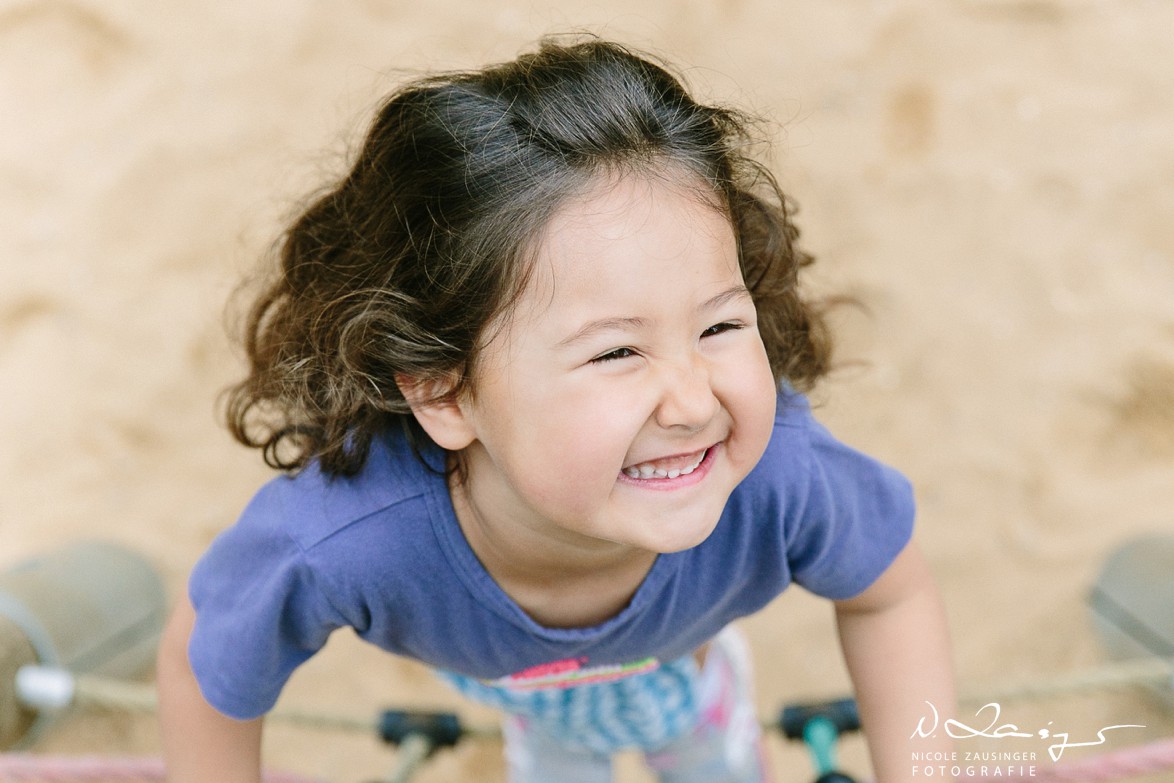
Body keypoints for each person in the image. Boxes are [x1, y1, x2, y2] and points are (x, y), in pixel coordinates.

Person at [157, 36, 956, 783]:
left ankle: (706, 698)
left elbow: (891, 591)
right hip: (522, 690)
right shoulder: (346, 544)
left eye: (718, 325)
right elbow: (205, 666)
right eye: (616, 351)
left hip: (680, 669)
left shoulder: (782, 478)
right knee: (559, 746)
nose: (692, 402)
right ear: (442, 389)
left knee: (708, 749)